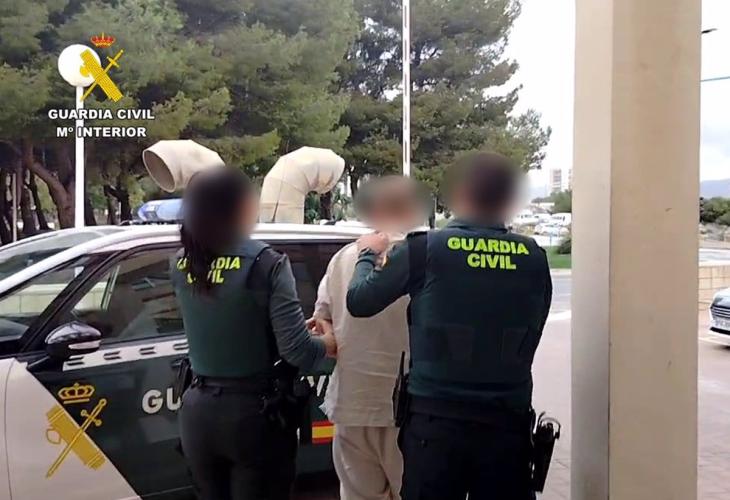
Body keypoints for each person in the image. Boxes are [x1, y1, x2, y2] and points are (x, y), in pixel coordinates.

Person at [346, 152, 552, 500]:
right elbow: (535, 326)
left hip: (436, 424)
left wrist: (367, 254)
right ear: (508, 200)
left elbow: (359, 301)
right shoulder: (533, 256)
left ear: (460, 195)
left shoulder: (425, 249)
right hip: (507, 423)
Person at [170, 166, 337, 500]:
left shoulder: (181, 261)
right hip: (253, 417)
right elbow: (297, 352)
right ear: (240, 206)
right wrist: (328, 343)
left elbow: (225, 321)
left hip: (196, 413)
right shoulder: (266, 262)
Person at [310, 176, 429, 500]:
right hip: (410, 408)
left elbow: (322, 320)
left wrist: (333, 337)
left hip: (352, 404)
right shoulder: (428, 258)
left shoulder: (343, 258)